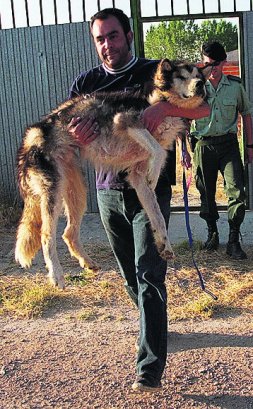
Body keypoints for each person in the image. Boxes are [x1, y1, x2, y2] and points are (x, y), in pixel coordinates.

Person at [68, 8, 210, 393]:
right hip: (106, 190)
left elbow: (203, 105)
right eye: (100, 39)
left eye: (113, 36)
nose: (107, 45)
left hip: (149, 187)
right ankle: (156, 326)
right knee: (132, 276)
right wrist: (76, 135)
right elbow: (72, 130)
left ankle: (148, 368)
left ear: (129, 35)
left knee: (149, 274)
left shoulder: (157, 72)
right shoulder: (87, 82)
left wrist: (163, 106)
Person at [191, 41, 253, 260]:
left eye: (217, 63)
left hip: (228, 145)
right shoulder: (195, 87)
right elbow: (182, 116)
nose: (213, 67)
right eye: (208, 63)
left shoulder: (235, 86)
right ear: (203, 63)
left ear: (224, 63)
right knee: (205, 192)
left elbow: (246, 114)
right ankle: (212, 233)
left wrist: (249, 147)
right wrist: (182, 151)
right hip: (203, 145)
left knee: (237, 192)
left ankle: (234, 240)